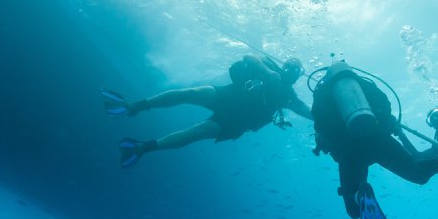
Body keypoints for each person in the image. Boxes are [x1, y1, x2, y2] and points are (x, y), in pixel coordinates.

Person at [311, 62, 438, 219]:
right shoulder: (365, 84)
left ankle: (360, 193)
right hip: (378, 139)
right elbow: (386, 105)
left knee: (353, 210)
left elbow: (320, 126)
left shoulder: (322, 94)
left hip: (349, 151)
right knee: (419, 175)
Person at [102, 55, 311, 168]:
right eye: (290, 65)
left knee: (194, 133)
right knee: (188, 93)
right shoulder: (268, 66)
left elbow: (309, 112)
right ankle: (134, 106)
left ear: (299, 75)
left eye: (296, 69)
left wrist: (329, 109)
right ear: (284, 65)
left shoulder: (289, 97)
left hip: (235, 122)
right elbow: (249, 57)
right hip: (228, 96)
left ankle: (141, 148)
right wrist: (267, 72)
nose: (291, 69)